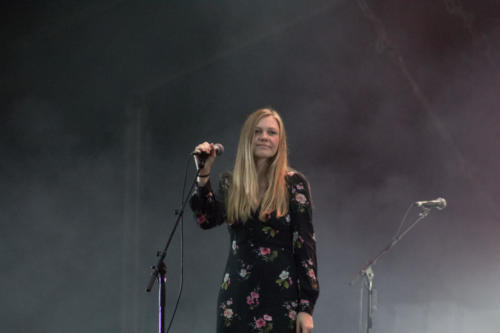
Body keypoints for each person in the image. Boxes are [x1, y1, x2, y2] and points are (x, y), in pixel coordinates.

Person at [190, 108, 319, 333]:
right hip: (237, 295)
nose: (264, 137)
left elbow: (305, 245)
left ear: (280, 141)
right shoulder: (232, 183)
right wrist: (204, 174)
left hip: (281, 298)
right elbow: (206, 219)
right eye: (258, 131)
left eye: (271, 132)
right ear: (248, 138)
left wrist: (306, 307)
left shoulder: (294, 184)